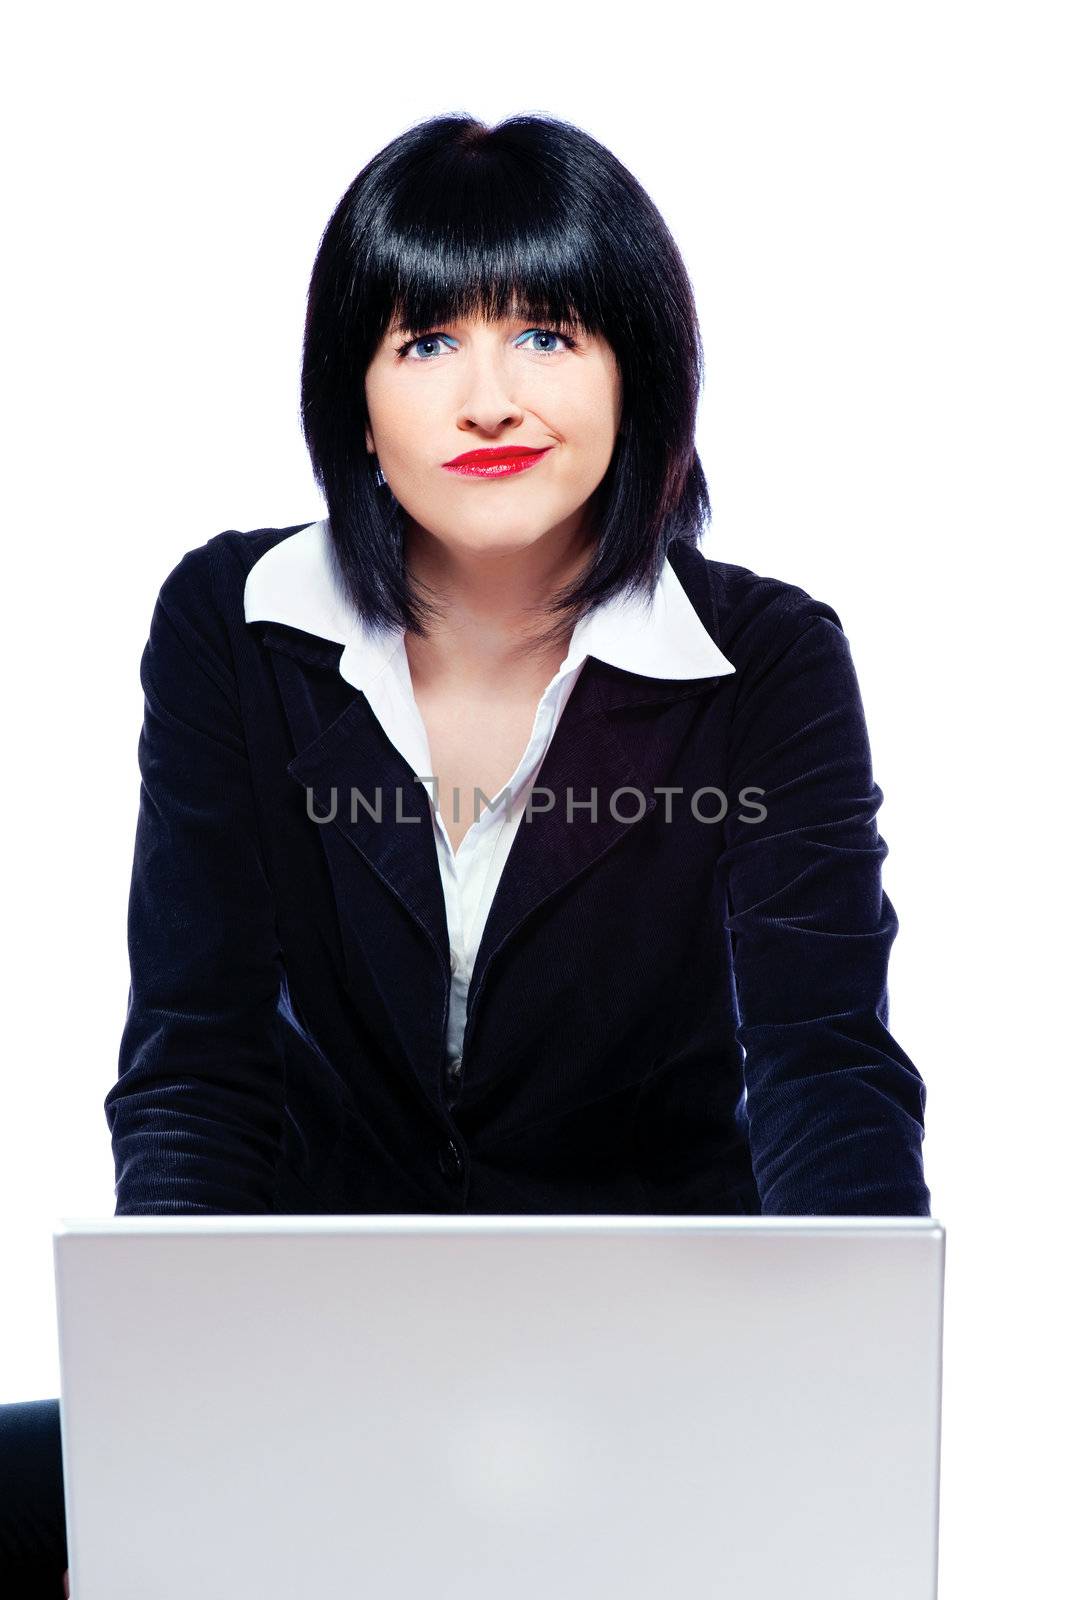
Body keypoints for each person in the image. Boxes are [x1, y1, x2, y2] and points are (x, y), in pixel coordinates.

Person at [0, 109, 932, 1593]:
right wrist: (177, 1392)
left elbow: (819, 1058)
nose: (489, 397)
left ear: (639, 372)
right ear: (355, 401)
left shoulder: (766, 659)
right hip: (314, 1352)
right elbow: (196, 1057)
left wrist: (850, 1377)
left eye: (549, 333)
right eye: (425, 341)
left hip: (648, 1369)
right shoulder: (233, 628)